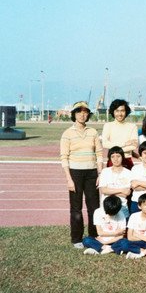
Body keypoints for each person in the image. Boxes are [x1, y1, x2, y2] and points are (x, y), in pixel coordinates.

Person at [60, 101, 102, 248]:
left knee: (94, 207)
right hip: (75, 173)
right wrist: (69, 179)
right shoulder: (67, 134)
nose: (82, 115)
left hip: (91, 173)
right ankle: (77, 238)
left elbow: (99, 154)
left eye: (85, 112)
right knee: (76, 208)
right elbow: (64, 157)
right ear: (74, 114)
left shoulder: (93, 132)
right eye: (79, 112)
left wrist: (100, 173)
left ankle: (93, 236)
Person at [111, 193, 146, 258]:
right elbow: (129, 237)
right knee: (123, 242)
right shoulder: (134, 216)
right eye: (145, 205)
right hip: (136, 242)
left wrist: (137, 235)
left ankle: (136, 250)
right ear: (139, 206)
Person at [101, 99, 138, 170]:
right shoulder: (108, 125)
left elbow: (133, 146)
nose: (120, 114)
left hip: (127, 160)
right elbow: (105, 144)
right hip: (113, 160)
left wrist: (115, 150)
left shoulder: (132, 126)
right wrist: (125, 143)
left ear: (126, 111)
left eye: (122, 111)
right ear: (113, 112)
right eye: (117, 111)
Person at [98, 147, 132, 218]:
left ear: (122, 157)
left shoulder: (128, 173)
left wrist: (110, 190)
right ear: (110, 158)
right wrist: (121, 190)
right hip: (106, 209)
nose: (115, 159)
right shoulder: (105, 172)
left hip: (122, 209)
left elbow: (126, 194)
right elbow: (103, 190)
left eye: (118, 156)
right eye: (112, 157)